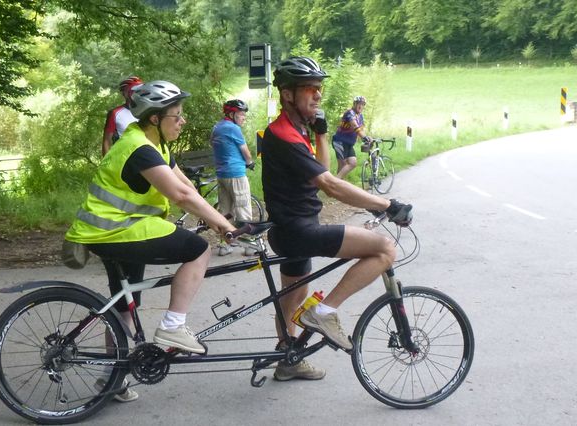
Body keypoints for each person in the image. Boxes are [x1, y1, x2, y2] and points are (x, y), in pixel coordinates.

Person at [66, 80, 236, 400]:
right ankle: (173, 326)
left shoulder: (154, 145)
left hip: (113, 231)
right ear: (155, 118)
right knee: (199, 250)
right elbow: (180, 194)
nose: (182, 121)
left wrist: (210, 216)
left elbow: (185, 185)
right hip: (115, 231)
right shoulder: (140, 149)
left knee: (125, 305)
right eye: (177, 115)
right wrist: (223, 227)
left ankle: (112, 379)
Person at [261, 56, 412, 381]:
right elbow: (330, 185)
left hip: (290, 229)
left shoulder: (293, 130)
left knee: (292, 299)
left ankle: (288, 360)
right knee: (384, 249)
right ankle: (325, 312)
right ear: (288, 94)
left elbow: (323, 170)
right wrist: (386, 204)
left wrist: (320, 133)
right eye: (310, 89)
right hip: (299, 230)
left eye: (320, 89)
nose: (318, 95)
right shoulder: (283, 134)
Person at [210, 99, 256, 256]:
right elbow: (245, 152)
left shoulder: (217, 127)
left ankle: (225, 245)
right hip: (236, 174)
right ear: (232, 114)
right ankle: (250, 245)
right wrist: (250, 163)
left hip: (221, 174)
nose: (243, 117)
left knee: (225, 211)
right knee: (243, 208)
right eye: (241, 114)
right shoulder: (233, 128)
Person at [101, 76, 144, 156]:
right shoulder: (115, 113)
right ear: (125, 94)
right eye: (133, 91)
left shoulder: (147, 111)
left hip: (147, 156)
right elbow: (107, 141)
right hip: (124, 158)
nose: (137, 93)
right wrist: (106, 164)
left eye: (139, 91)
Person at [332, 96, 369, 179]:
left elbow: (361, 130)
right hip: (340, 142)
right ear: (354, 104)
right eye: (359, 104)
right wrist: (365, 137)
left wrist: (368, 138)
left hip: (349, 144)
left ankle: (337, 183)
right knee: (342, 165)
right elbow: (355, 127)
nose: (361, 106)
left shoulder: (360, 116)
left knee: (353, 163)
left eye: (363, 104)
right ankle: (335, 184)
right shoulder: (350, 113)